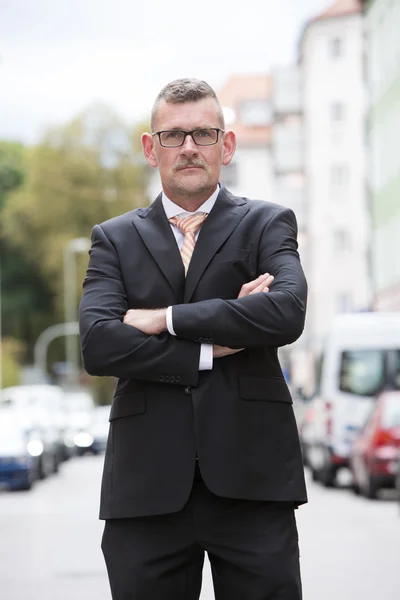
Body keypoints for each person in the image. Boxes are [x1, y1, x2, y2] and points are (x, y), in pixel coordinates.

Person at [79, 78, 308, 600]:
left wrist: (164, 319)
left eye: (204, 134)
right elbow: (98, 344)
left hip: (253, 482)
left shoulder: (267, 223)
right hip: (146, 489)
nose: (188, 148)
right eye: (173, 136)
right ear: (149, 148)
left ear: (226, 147)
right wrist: (208, 346)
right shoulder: (112, 239)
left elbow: (286, 313)